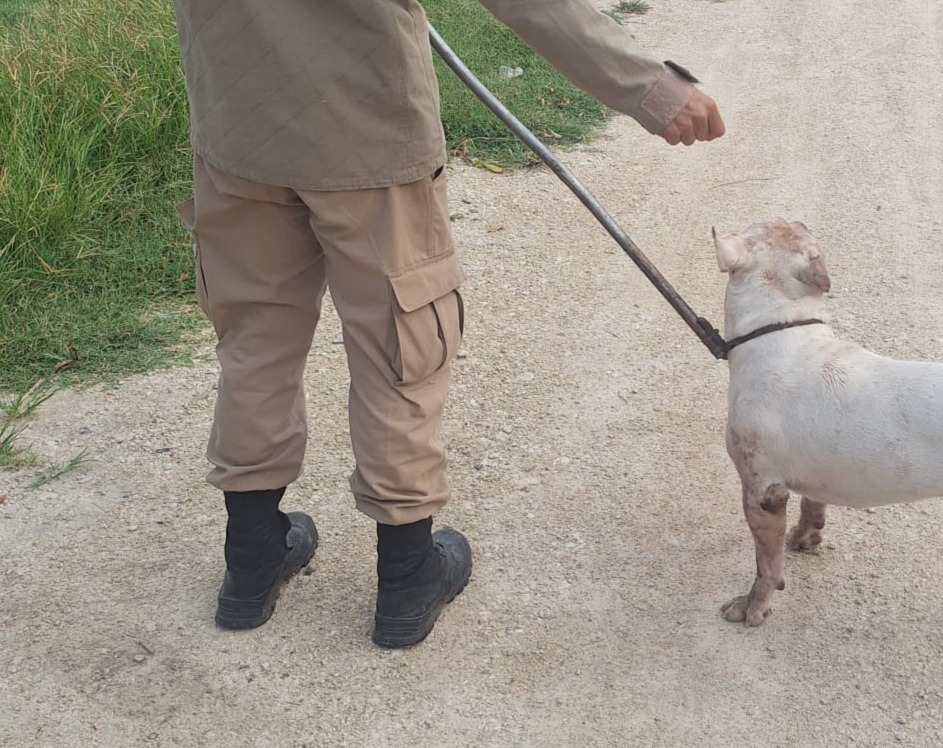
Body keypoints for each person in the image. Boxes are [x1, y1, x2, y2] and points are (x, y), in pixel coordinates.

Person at [170, 0, 725, 647]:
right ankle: (407, 576)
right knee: (400, 347)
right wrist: (653, 89)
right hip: (366, 127)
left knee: (254, 339)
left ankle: (251, 557)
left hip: (235, 120)